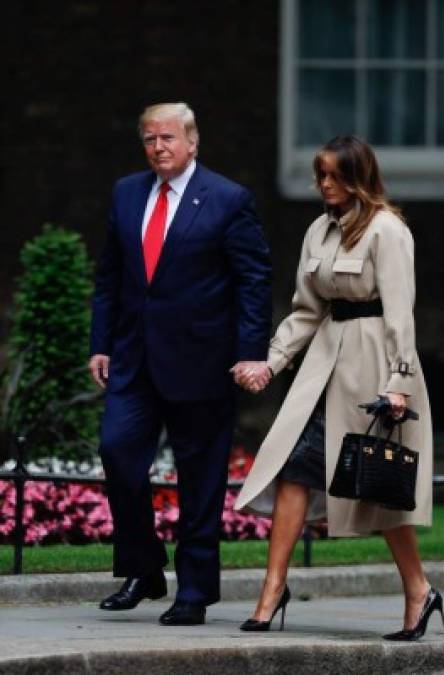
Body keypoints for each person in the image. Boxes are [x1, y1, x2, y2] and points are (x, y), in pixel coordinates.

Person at [233, 136, 444, 641]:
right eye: (320, 175)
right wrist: (270, 362)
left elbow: (401, 315)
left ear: (357, 176)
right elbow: (306, 310)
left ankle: (418, 591)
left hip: (374, 367)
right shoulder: (318, 231)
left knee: (377, 486)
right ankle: (272, 590)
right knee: (294, 466)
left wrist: (399, 386)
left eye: (333, 176)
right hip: (323, 366)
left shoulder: (388, 231)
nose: (324, 185)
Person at [89, 102, 272, 625]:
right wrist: (100, 342)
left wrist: (250, 352)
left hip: (203, 361)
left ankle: (194, 591)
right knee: (117, 450)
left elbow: (253, 281)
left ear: (192, 141)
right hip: (133, 359)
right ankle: (144, 569)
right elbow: (110, 277)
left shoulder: (228, 199)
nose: (158, 147)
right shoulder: (127, 193)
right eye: (149, 139)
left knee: (201, 477)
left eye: (167, 137)